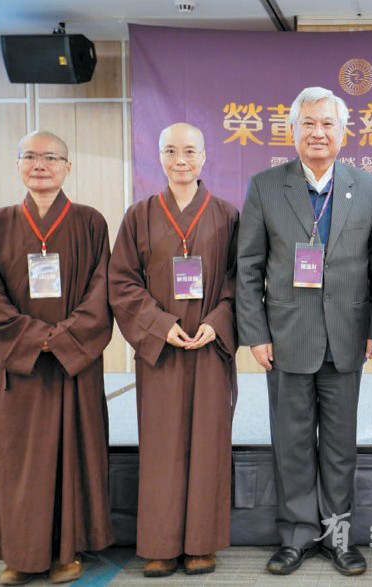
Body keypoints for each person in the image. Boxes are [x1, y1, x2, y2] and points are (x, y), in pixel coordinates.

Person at [236, 86, 372, 577]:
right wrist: (256, 333)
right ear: (292, 132)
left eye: (327, 124)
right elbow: (248, 266)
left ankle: (339, 537)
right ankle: (297, 536)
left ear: (343, 133)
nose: (318, 133)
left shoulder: (367, 186)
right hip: (286, 338)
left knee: (341, 447)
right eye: (308, 124)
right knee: (292, 444)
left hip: (346, 337)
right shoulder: (265, 186)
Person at [0, 131, 114, 585]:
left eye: (51, 157)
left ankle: (66, 552)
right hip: (22, 367)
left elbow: (103, 293)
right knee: (20, 461)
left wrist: (66, 339)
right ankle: (21, 553)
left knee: (73, 457)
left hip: (74, 365)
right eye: (30, 157)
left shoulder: (90, 223)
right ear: (17, 164)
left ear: (68, 167)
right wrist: (38, 339)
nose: (40, 165)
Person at [108, 123, 239, 578]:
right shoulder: (138, 215)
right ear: (159, 156)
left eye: (189, 151)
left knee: (208, 441)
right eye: (170, 151)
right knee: (162, 443)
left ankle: (202, 542)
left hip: (209, 347)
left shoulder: (227, 215)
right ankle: (161, 543)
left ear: (204, 156)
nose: (180, 160)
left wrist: (217, 323)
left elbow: (240, 280)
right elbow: (122, 281)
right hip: (161, 350)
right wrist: (160, 326)